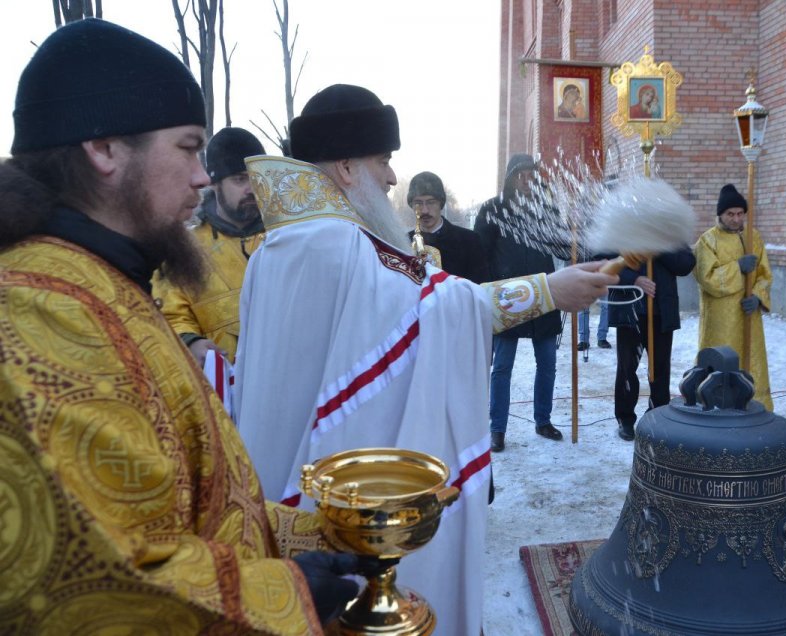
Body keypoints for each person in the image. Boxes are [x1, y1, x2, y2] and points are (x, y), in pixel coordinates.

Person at [0, 19, 361, 634]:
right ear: (105, 148)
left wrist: (313, 534)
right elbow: (96, 580)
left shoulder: (105, 281)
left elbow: (189, 497)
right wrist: (291, 592)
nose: (202, 175)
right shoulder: (43, 310)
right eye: (189, 147)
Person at [232, 85, 616, 636]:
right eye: (383, 160)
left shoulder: (274, 249)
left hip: (276, 493)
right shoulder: (340, 248)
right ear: (344, 165)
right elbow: (436, 312)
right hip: (334, 512)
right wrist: (550, 290)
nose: (392, 179)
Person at [474, 153, 572, 451]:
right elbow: (480, 251)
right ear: (510, 178)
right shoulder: (493, 209)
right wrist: (492, 290)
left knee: (548, 363)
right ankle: (497, 429)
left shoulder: (545, 208)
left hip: (543, 293)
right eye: (521, 175)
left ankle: (543, 421)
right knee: (502, 366)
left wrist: (572, 232)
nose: (527, 181)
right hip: (508, 297)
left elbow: (563, 248)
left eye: (531, 175)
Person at [154, 126, 265, 364]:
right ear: (214, 183)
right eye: (239, 179)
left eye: (256, 178)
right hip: (224, 390)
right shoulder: (185, 249)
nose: (251, 190)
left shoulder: (284, 236)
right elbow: (170, 312)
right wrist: (190, 342)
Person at [694, 183, 774, 410]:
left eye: (740, 214)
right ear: (720, 214)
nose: (736, 219)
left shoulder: (753, 238)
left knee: (751, 358)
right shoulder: (708, 241)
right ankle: (716, 401)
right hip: (720, 318)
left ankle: (754, 404)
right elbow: (707, 277)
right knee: (721, 357)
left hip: (749, 315)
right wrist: (737, 267)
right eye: (730, 214)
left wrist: (758, 297)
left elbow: (765, 274)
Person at [608, 248, 696, 439]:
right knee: (627, 367)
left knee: (660, 368)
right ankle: (625, 418)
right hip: (630, 311)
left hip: (661, 311)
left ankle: (658, 415)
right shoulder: (622, 226)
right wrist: (634, 279)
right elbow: (603, 262)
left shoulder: (668, 231)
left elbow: (686, 264)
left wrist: (660, 248)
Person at [406, 170, 488, 283]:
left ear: (441, 203)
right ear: (412, 205)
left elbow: (478, 288)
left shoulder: (469, 241)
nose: (424, 210)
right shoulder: (403, 243)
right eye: (418, 203)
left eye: (431, 202)